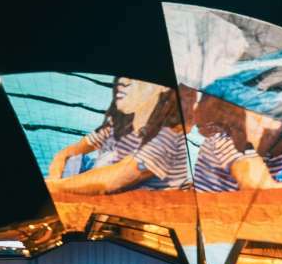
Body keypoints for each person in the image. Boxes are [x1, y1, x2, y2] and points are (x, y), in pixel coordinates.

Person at [46, 77, 189, 195]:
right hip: (109, 186)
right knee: (75, 161)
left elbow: (117, 178)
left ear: (163, 88)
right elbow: (68, 152)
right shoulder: (118, 123)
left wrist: (57, 187)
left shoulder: (170, 134)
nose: (123, 81)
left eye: (136, 78)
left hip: (143, 206)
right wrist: (55, 179)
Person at [182, 89, 282, 193]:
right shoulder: (222, 144)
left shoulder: (273, 148)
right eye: (259, 115)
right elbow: (265, 192)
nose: (272, 122)